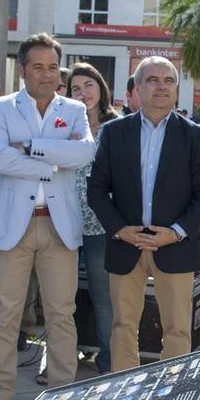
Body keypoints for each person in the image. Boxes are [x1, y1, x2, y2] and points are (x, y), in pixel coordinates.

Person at [0, 34, 94, 400]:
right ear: (23, 69)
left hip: (59, 227)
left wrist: (28, 148)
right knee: (5, 314)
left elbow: (84, 154)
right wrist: (51, 159)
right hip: (13, 226)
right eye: (37, 66)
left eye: (52, 67)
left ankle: (62, 393)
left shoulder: (75, 109)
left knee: (62, 313)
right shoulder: (0, 107)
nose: (46, 74)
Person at [88, 56, 200, 372]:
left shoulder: (193, 136)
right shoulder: (115, 133)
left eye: (168, 81)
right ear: (136, 88)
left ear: (176, 89)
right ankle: (123, 393)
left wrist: (175, 231)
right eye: (152, 80)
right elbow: (96, 189)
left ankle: (168, 393)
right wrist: (119, 229)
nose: (161, 87)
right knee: (122, 327)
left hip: (174, 244)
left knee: (177, 330)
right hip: (125, 244)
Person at [67, 62, 120, 374]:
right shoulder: (63, 127)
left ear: (101, 89)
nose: (83, 92)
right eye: (75, 88)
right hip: (64, 224)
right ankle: (63, 358)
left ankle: (107, 362)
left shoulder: (117, 128)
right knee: (63, 298)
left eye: (88, 85)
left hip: (102, 227)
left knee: (103, 298)